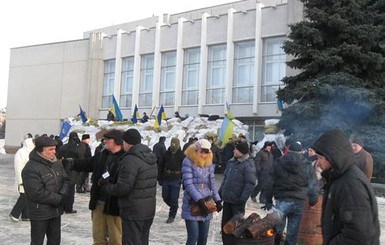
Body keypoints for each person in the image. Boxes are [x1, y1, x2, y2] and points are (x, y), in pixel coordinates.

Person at [312, 130, 380, 244]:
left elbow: (358, 236)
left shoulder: (350, 185)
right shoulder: (339, 178)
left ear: (332, 156)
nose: (317, 163)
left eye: (320, 158)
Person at [63, 129, 125, 245]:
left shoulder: (126, 158)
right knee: (98, 238)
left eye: (108, 139)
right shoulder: (102, 155)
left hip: (114, 205)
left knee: (116, 239)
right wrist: (70, 163)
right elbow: (87, 163)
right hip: (98, 203)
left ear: (117, 141)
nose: (105, 141)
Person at [104, 128, 158, 245]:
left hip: (133, 211)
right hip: (148, 210)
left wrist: (108, 187)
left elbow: (123, 187)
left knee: (131, 242)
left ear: (127, 142)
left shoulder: (130, 159)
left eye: (123, 142)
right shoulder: (150, 157)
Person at [264, 141, 319, 245]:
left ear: (288, 150)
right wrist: (312, 201)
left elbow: (269, 183)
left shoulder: (278, 163)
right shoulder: (307, 165)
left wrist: (268, 200)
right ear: (302, 151)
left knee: (276, 230)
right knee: (292, 233)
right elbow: (313, 185)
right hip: (299, 202)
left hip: (282, 201)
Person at [22, 136, 70, 245]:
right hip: (40, 213)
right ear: (40, 150)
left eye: (54, 149)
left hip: (56, 211)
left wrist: (62, 194)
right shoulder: (31, 168)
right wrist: (59, 198)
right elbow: (36, 193)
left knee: (54, 241)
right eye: (50, 149)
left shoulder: (56, 163)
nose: (54, 152)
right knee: (37, 241)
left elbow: (66, 180)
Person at [181, 139, 222, 245]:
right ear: (196, 150)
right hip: (192, 203)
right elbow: (188, 184)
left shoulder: (209, 162)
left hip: (207, 202)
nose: (203, 155)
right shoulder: (188, 161)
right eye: (201, 151)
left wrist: (217, 199)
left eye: (206, 152)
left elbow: (212, 182)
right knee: (193, 237)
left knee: (203, 237)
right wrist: (199, 200)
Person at [218, 141, 256, 244]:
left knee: (236, 228)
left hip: (237, 202)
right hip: (227, 200)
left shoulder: (248, 165)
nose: (234, 150)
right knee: (225, 226)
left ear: (241, 152)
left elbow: (250, 184)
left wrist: (242, 199)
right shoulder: (231, 162)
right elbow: (225, 180)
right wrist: (219, 196)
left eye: (236, 149)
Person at [158, 137, 185, 223]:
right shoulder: (166, 154)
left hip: (176, 179)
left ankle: (172, 215)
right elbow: (161, 166)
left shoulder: (182, 155)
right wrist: (159, 178)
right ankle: (174, 206)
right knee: (165, 197)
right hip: (166, 178)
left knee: (174, 198)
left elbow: (185, 169)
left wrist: (184, 181)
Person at [9, 137, 35, 221]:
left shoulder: (30, 152)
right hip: (23, 178)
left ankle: (25, 215)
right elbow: (18, 167)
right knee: (23, 196)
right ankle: (14, 213)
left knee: (28, 196)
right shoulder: (21, 153)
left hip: (30, 178)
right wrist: (20, 180)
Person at [57, 132, 81, 214]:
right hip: (73, 171)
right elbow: (80, 160)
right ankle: (68, 208)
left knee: (63, 188)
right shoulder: (78, 148)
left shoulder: (63, 147)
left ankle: (62, 206)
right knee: (70, 191)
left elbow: (58, 158)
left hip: (63, 170)